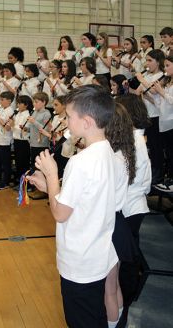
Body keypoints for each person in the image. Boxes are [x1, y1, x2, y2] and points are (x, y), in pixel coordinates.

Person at [28, 85, 118, 328]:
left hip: (80, 260)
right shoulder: (107, 150)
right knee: (95, 312)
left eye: (68, 116)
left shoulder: (80, 162)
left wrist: (50, 174)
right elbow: (83, 199)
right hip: (98, 250)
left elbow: (60, 213)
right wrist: (51, 188)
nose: (65, 121)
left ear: (86, 121)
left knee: (82, 320)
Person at [115, 94, 151, 325]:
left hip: (131, 206)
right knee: (126, 258)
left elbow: (138, 181)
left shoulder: (135, 142)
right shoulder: (133, 140)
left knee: (127, 261)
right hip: (131, 205)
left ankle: (125, 302)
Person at [104, 103, 136, 328]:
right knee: (113, 287)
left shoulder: (112, 159)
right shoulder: (121, 154)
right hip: (117, 222)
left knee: (109, 290)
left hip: (111, 226)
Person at [134, 49, 165, 184]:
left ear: (158, 62)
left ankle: (158, 174)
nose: (147, 64)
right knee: (148, 145)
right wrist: (128, 86)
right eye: (146, 60)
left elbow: (153, 90)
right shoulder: (147, 75)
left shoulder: (161, 76)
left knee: (156, 146)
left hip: (157, 115)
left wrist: (141, 79)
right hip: (146, 115)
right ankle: (148, 171)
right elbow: (137, 92)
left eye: (150, 60)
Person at [150, 56, 173, 190]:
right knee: (169, 154)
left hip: (171, 123)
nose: (165, 68)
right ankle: (168, 180)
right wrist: (151, 97)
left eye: (168, 65)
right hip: (164, 122)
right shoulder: (168, 83)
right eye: (164, 65)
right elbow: (162, 104)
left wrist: (161, 91)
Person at [9, 95, 33, 189]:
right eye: (17, 103)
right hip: (16, 140)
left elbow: (22, 129)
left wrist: (13, 125)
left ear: (26, 105)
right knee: (18, 162)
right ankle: (19, 181)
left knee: (24, 163)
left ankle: (26, 184)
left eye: (19, 103)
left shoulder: (27, 115)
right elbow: (14, 129)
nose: (17, 105)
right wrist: (12, 125)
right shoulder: (17, 114)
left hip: (24, 142)